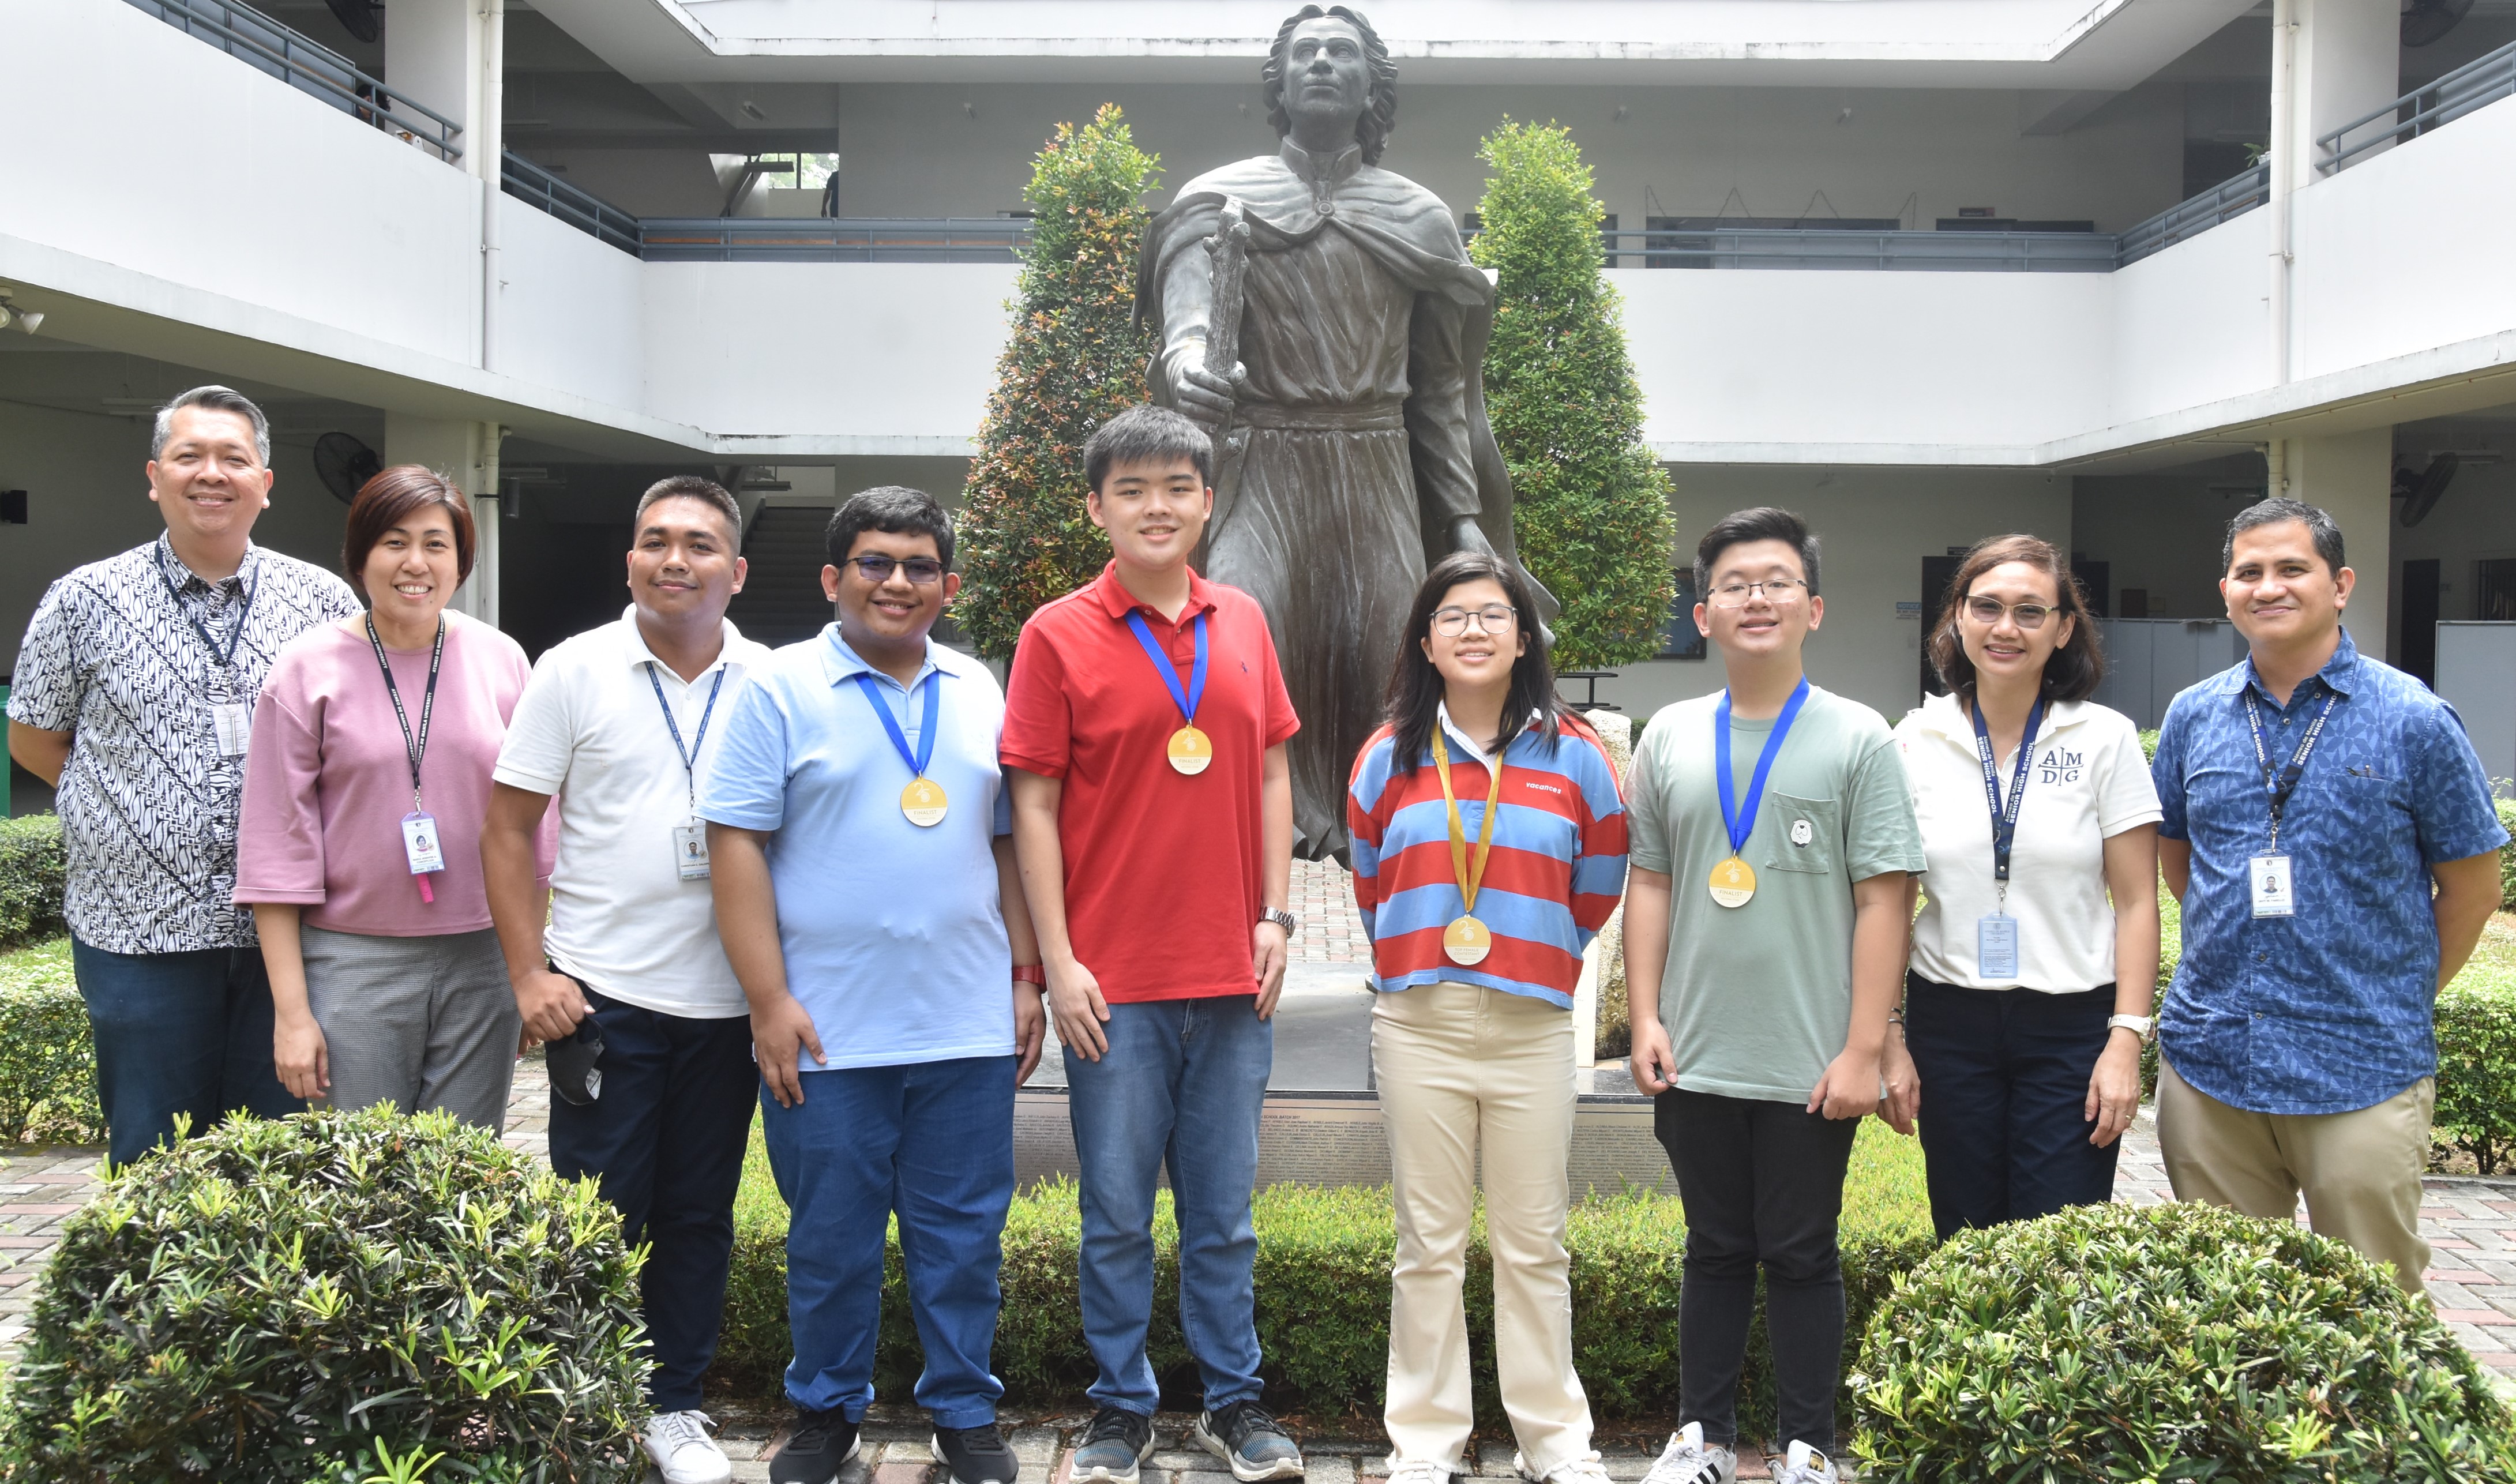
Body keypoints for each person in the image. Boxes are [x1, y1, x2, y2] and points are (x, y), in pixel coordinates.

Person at [1139, 4, 1556, 860]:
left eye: (1341, 52)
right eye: (1304, 52)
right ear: (1279, 83)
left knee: (1398, 680)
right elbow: (1182, 330)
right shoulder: (1218, 199)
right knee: (1242, 667)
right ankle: (1240, 921)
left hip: (1377, 473)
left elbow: (1440, 391)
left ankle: (1402, 921)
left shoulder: (1419, 216)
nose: (1322, 63)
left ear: (1372, 83)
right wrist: (1188, 369)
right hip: (1259, 466)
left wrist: (1465, 521)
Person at [700, 487, 1045, 1484]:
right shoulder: (777, 685)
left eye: (919, 565)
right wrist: (767, 998)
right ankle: (824, 1412)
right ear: (832, 577)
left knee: (963, 1236)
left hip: (964, 1024)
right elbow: (735, 845)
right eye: (875, 562)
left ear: (949, 583)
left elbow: (1007, 841)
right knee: (831, 1239)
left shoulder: (979, 685)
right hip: (826, 1031)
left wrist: (1023, 977)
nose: (898, 581)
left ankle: (964, 1412)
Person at [1001, 405, 1304, 1484]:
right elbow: (1030, 807)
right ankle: (1119, 1411)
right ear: (1097, 507)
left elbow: (1272, 769)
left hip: (1231, 978)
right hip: (1111, 987)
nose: (1157, 505)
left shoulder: (1245, 621)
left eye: (1177, 484)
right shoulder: (1056, 632)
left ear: (1207, 499)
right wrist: (1060, 959)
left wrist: (1273, 912)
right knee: (1116, 1215)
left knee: (1223, 1215)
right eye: (1131, 488)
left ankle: (1234, 1402)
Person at [1624, 508, 1923, 1484]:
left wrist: (1864, 1045)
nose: (1757, 597)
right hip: (1698, 1049)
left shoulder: (1858, 736)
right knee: (1711, 1245)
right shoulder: (1668, 734)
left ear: (1813, 607)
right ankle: (1700, 1435)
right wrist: (1645, 1015)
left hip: (1809, 1057)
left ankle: (1808, 1445)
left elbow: (1885, 896)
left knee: (1801, 1250)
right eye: (1737, 584)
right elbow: (1653, 881)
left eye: (1777, 581)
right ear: (1702, 612)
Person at [480, 476, 770, 1484]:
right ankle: (587, 1396)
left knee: (697, 1210)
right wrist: (530, 972)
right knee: (597, 1206)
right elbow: (507, 828)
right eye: (654, 540)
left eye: (698, 543)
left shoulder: (772, 680)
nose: (673, 558)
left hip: (730, 1006)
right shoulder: (573, 669)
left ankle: (673, 1404)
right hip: (603, 999)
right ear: (630, 561)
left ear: (736, 572)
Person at [2151, 497, 2507, 1295]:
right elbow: (2179, 863)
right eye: (2249, 571)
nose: (2266, 586)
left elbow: (2473, 889)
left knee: (2373, 1305)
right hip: (2212, 1063)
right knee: (2228, 1314)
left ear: (2339, 584)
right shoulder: (2192, 716)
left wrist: (2394, 995)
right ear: (2225, 589)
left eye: (2290, 569)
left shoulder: (2412, 718)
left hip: (2362, 1067)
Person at [6, 386, 360, 1167]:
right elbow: (33, 738)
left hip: (291, 935)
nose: (212, 474)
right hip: (139, 932)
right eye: (189, 456)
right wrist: (125, 810)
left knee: (277, 1163)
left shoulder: (323, 603)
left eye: (234, 458)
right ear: (154, 476)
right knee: (152, 1158)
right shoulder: (86, 600)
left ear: (266, 483)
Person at [1346, 551, 1628, 1484]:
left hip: (1531, 1028)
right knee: (1426, 1244)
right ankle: (1424, 1443)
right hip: (1419, 1024)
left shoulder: (1575, 751)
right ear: (1423, 639)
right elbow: (1370, 882)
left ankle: (1554, 1442)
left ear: (1522, 636)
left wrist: (1529, 947)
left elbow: (1597, 882)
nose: (1473, 628)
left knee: (1531, 1244)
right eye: (1452, 614)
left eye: (1492, 613)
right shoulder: (1386, 753)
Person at [233, 465, 550, 1132]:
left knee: (462, 1179)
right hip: (354, 963)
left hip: (482, 959)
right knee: (362, 1177)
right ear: (360, 556)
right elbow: (275, 851)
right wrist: (293, 1015)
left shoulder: (503, 660)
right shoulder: (306, 668)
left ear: (461, 560)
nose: (416, 563)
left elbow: (536, 837)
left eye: (437, 544)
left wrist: (527, 970)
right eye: (394, 542)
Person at [1891, 534, 2161, 1241]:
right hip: (1949, 1023)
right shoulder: (1916, 740)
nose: (2005, 627)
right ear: (1957, 616)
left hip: (2071, 1026)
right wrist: (1888, 1032)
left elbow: (2137, 901)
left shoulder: (2105, 738)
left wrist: (2126, 1041)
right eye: (1987, 606)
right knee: (1964, 1233)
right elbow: (1889, 901)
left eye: (2030, 611)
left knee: (2059, 1242)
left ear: (2063, 627)